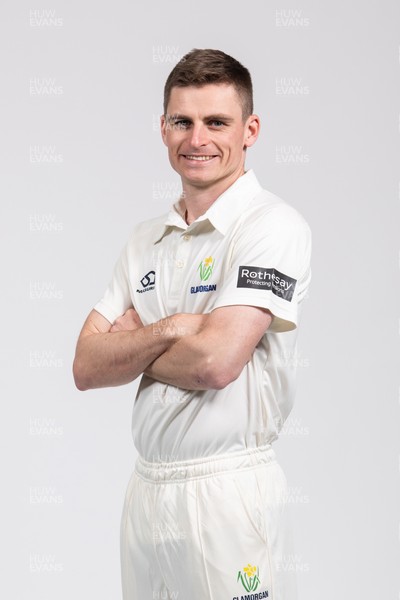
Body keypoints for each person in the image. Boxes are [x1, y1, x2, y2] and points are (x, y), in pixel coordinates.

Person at [73, 48, 312, 600]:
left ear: (250, 129)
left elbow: (215, 362)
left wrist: (130, 343)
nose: (196, 139)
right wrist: (176, 327)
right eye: (182, 121)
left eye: (216, 122)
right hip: (147, 491)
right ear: (162, 129)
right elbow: (86, 366)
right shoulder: (144, 240)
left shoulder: (271, 226)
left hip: (227, 491)